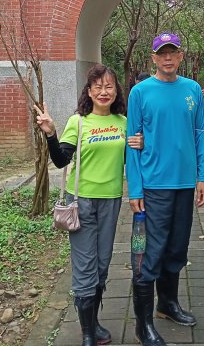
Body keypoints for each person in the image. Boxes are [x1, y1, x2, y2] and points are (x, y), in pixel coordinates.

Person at [34, 64, 143, 346]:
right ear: (89, 91)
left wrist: (140, 143)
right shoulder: (79, 122)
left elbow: (132, 159)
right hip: (80, 202)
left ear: (116, 91)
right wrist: (50, 133)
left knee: (102, 265)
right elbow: (61, 160)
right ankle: (86, 334)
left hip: (111, 201)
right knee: (85, 267)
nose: (103, 92)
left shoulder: (123, 121)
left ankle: (93, 322)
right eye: (98, 87)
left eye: (109, 86)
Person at [126, 32, 204, 346]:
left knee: (177, 248)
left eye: (173, 52)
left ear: (181, 56)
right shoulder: (140, 92)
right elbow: (132, 143)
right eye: (162, 53)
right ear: (154, 58)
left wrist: (202, 177)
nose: (168, 58)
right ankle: (142, 325)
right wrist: (135, 189)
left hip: (185, 184)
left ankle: (168, 304)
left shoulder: (192, 90)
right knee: (151, 253)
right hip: (153, 186)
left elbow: (200, 133)